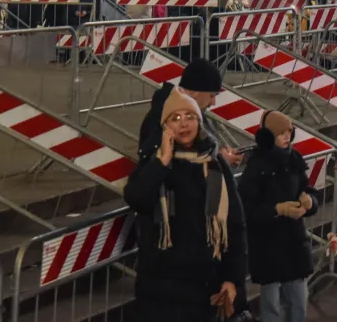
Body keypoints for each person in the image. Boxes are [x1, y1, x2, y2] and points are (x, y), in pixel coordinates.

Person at [124, 90, 247, 321]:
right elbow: (137, 199)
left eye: (190, 117)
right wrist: (162, 163)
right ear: (165, 126)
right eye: (176, 118)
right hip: (161, 289)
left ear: (199, 122)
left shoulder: (215, 164)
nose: (184, 124)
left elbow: (235, 223)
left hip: (205, 285)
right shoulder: (154, 161)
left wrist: (233, 278)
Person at [237, 111, 317, 322]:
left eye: (289, 132)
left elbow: (307, 189)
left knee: (299, 301)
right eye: (281, 133)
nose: (286, 137)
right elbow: (246, 208)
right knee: (271, 306)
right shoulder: (256, 166)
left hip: (294, 242)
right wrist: (277, 210)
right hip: (268, 246)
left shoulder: (294, 159)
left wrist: (309, 201)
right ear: (268, 136)